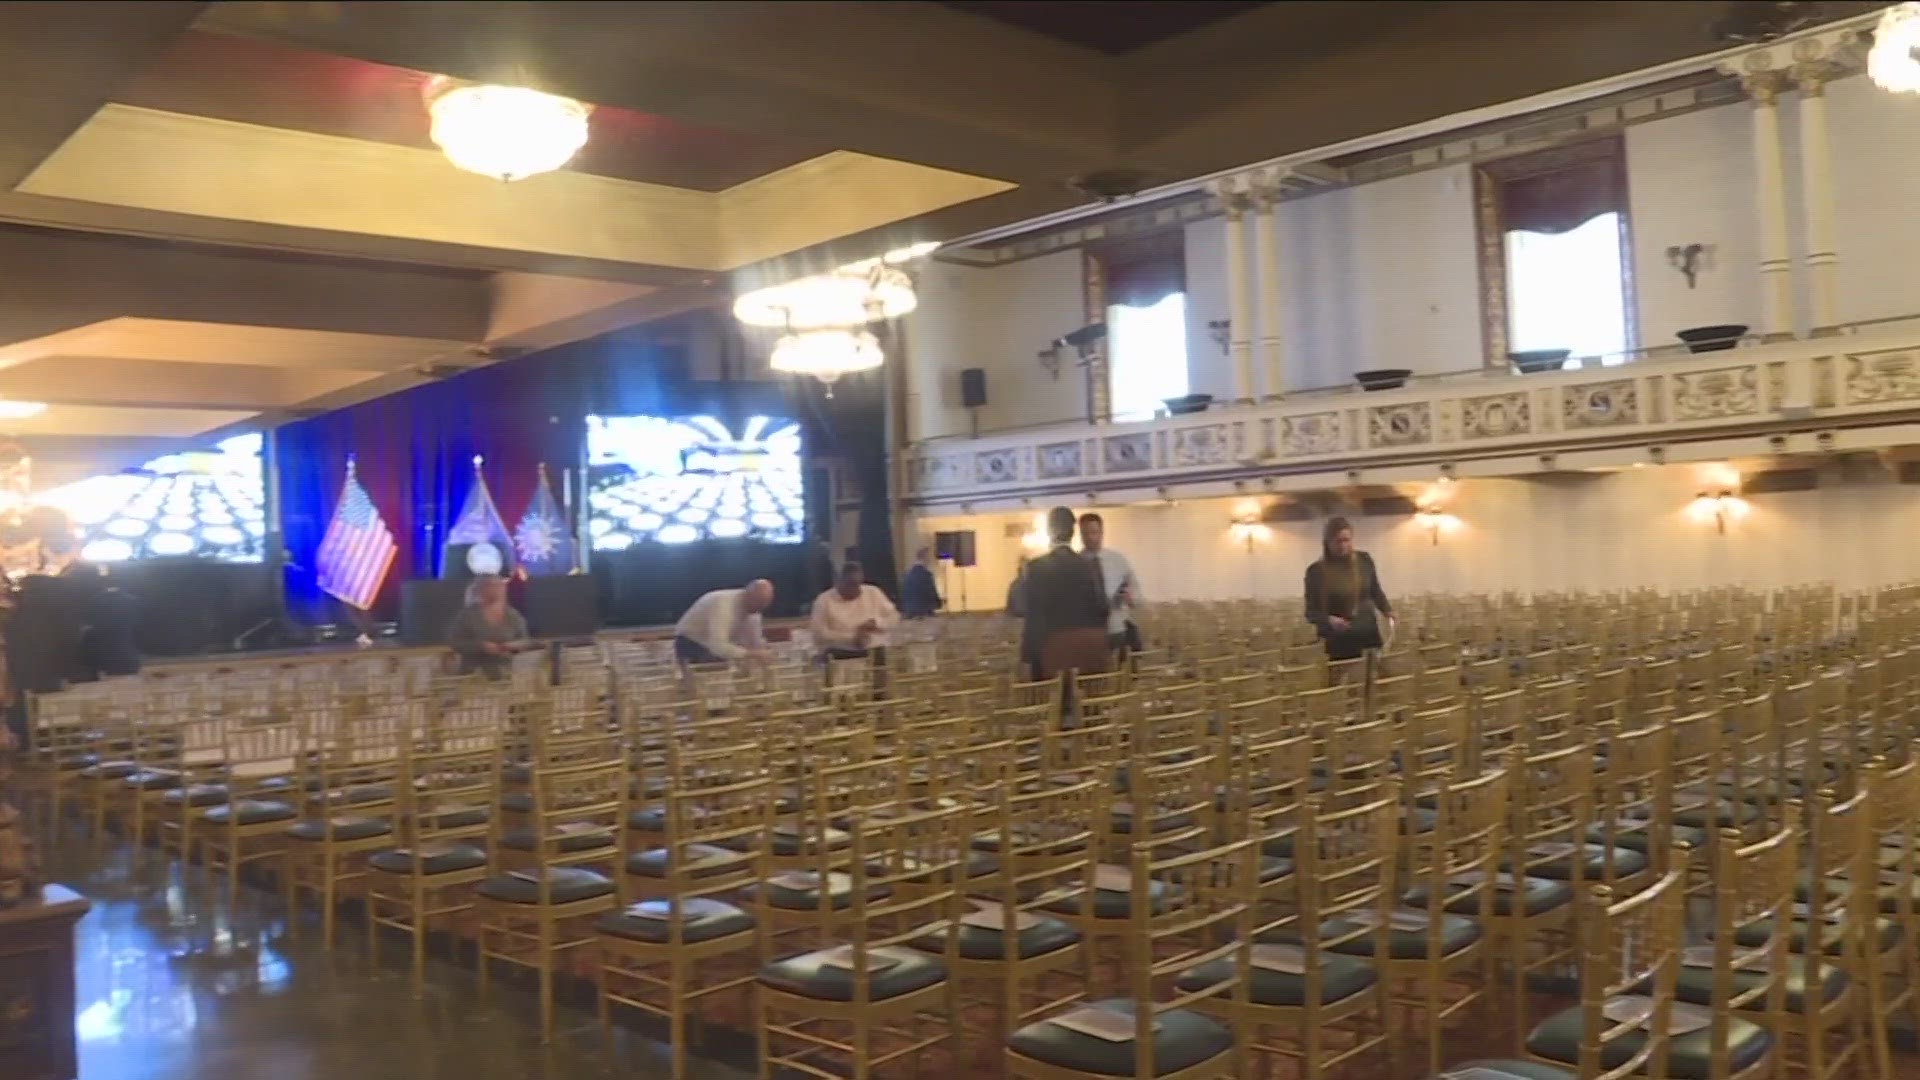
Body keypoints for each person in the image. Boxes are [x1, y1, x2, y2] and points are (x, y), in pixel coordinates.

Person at [1019, 506, 1110, 681]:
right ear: (1073, 532)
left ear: (1049, 531)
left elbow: (1034, 616)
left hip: (1054, 651)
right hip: (1089, 649)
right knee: (1090, 703)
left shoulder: (1036, 567)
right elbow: (1103, 608)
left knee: (1055, 703)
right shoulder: (1091, 564)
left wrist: (1028, 658)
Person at [1303, 516, 1395, 663]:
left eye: (1347, 540)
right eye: (1338, 541)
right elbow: (1310, 612)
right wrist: (1329, 619)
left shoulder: (1364, 560)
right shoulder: (1316, 571)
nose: (1343, 545)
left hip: (1367, 632)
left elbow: (1375, 590)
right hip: (1338, 639)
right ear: (1327, 542)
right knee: (1345, 682)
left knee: (1372, 678)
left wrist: (1387, 610)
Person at [1078, 512, 1142, 657]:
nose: (1089, 537)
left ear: (1101, 533)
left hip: (1117, 629)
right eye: (1085, 533)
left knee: (1121, 675)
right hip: (1089, 633)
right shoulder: (1075, 564)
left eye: (1093, 532)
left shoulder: (1118, 560)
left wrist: (1129, 597)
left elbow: (1136, 592)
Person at [809, 560, 900, 663]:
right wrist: (853, 637)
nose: (855, 590)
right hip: (839, 655)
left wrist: (876, 623)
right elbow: (819, 634)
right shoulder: (823, 601)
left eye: (857, 585)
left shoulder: (873, 592)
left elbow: (894, 617)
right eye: (849, 585)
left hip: (876, 651)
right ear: (837, 581)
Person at [446, 574, 531, 679]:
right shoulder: (467, 616)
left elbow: (525, 640)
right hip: (472, 679)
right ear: (482, 590)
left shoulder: (513, 615)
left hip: (505, 677)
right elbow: (455, 642)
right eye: (492, 586)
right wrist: (481, 646)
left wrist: (513, 646)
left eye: (500, 586)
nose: (498, 590)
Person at [673, 578, 773, 665]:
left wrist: (763, 652)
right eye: (758, 602)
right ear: (747, 594)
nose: (759, 608)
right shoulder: (723, 605)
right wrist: (753, 654)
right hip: (691, 642)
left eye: (763, 604)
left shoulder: (755, 610)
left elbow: (755, 642)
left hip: (712, 645)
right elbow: (718, 647)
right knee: (714, 675)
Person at [900, 547, 942, 618]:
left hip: (909, 613)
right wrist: (939, 603)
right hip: (924, 614)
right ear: (925, 558)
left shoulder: (907, 575)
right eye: (929, 558)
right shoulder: (926, 575)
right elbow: (931, 595)